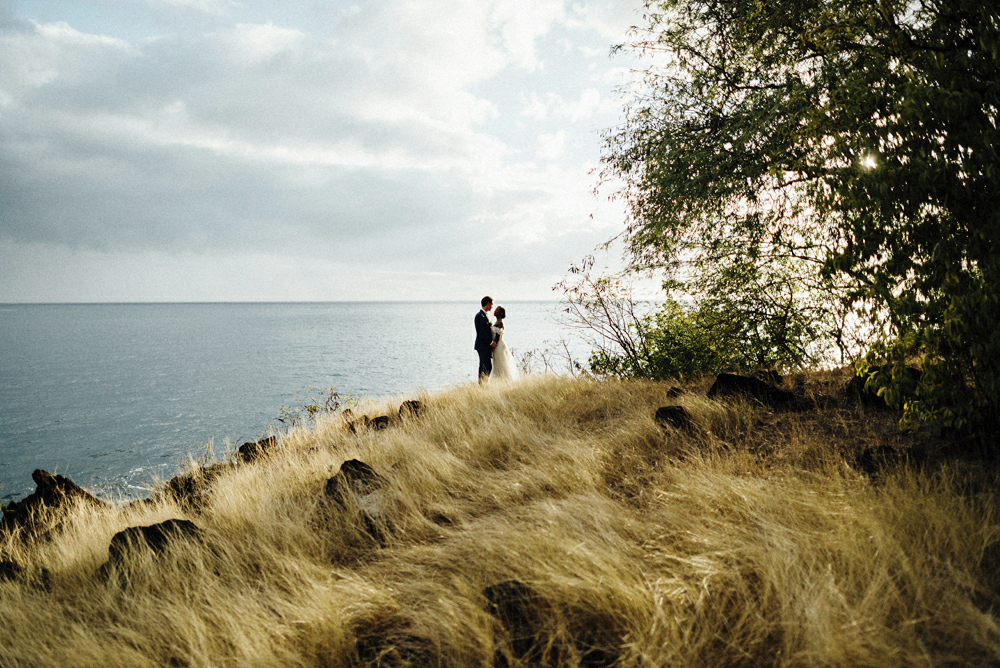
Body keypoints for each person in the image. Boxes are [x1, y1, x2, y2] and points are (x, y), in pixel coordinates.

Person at [491, 306, 518, 382]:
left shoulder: (500, 323)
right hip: (497, 345)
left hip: (498, 346)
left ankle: (503, 380)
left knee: (500, 364)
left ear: (500, 313)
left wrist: (493, 346)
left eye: (496, 310)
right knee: (497, 364)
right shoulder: (497, 322)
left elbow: (497, 336)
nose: (495, 311)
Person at [474, 296, 496, 383]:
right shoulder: (480, 316)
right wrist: (491, 343)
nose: (492, 307)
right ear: (488, 303)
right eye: (491, 305)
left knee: (486, 366)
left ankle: (483, 384)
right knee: (485, 366)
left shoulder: (484, 315)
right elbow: (481, 333)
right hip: (482, 346)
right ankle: (482, 384)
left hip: (484, 346)